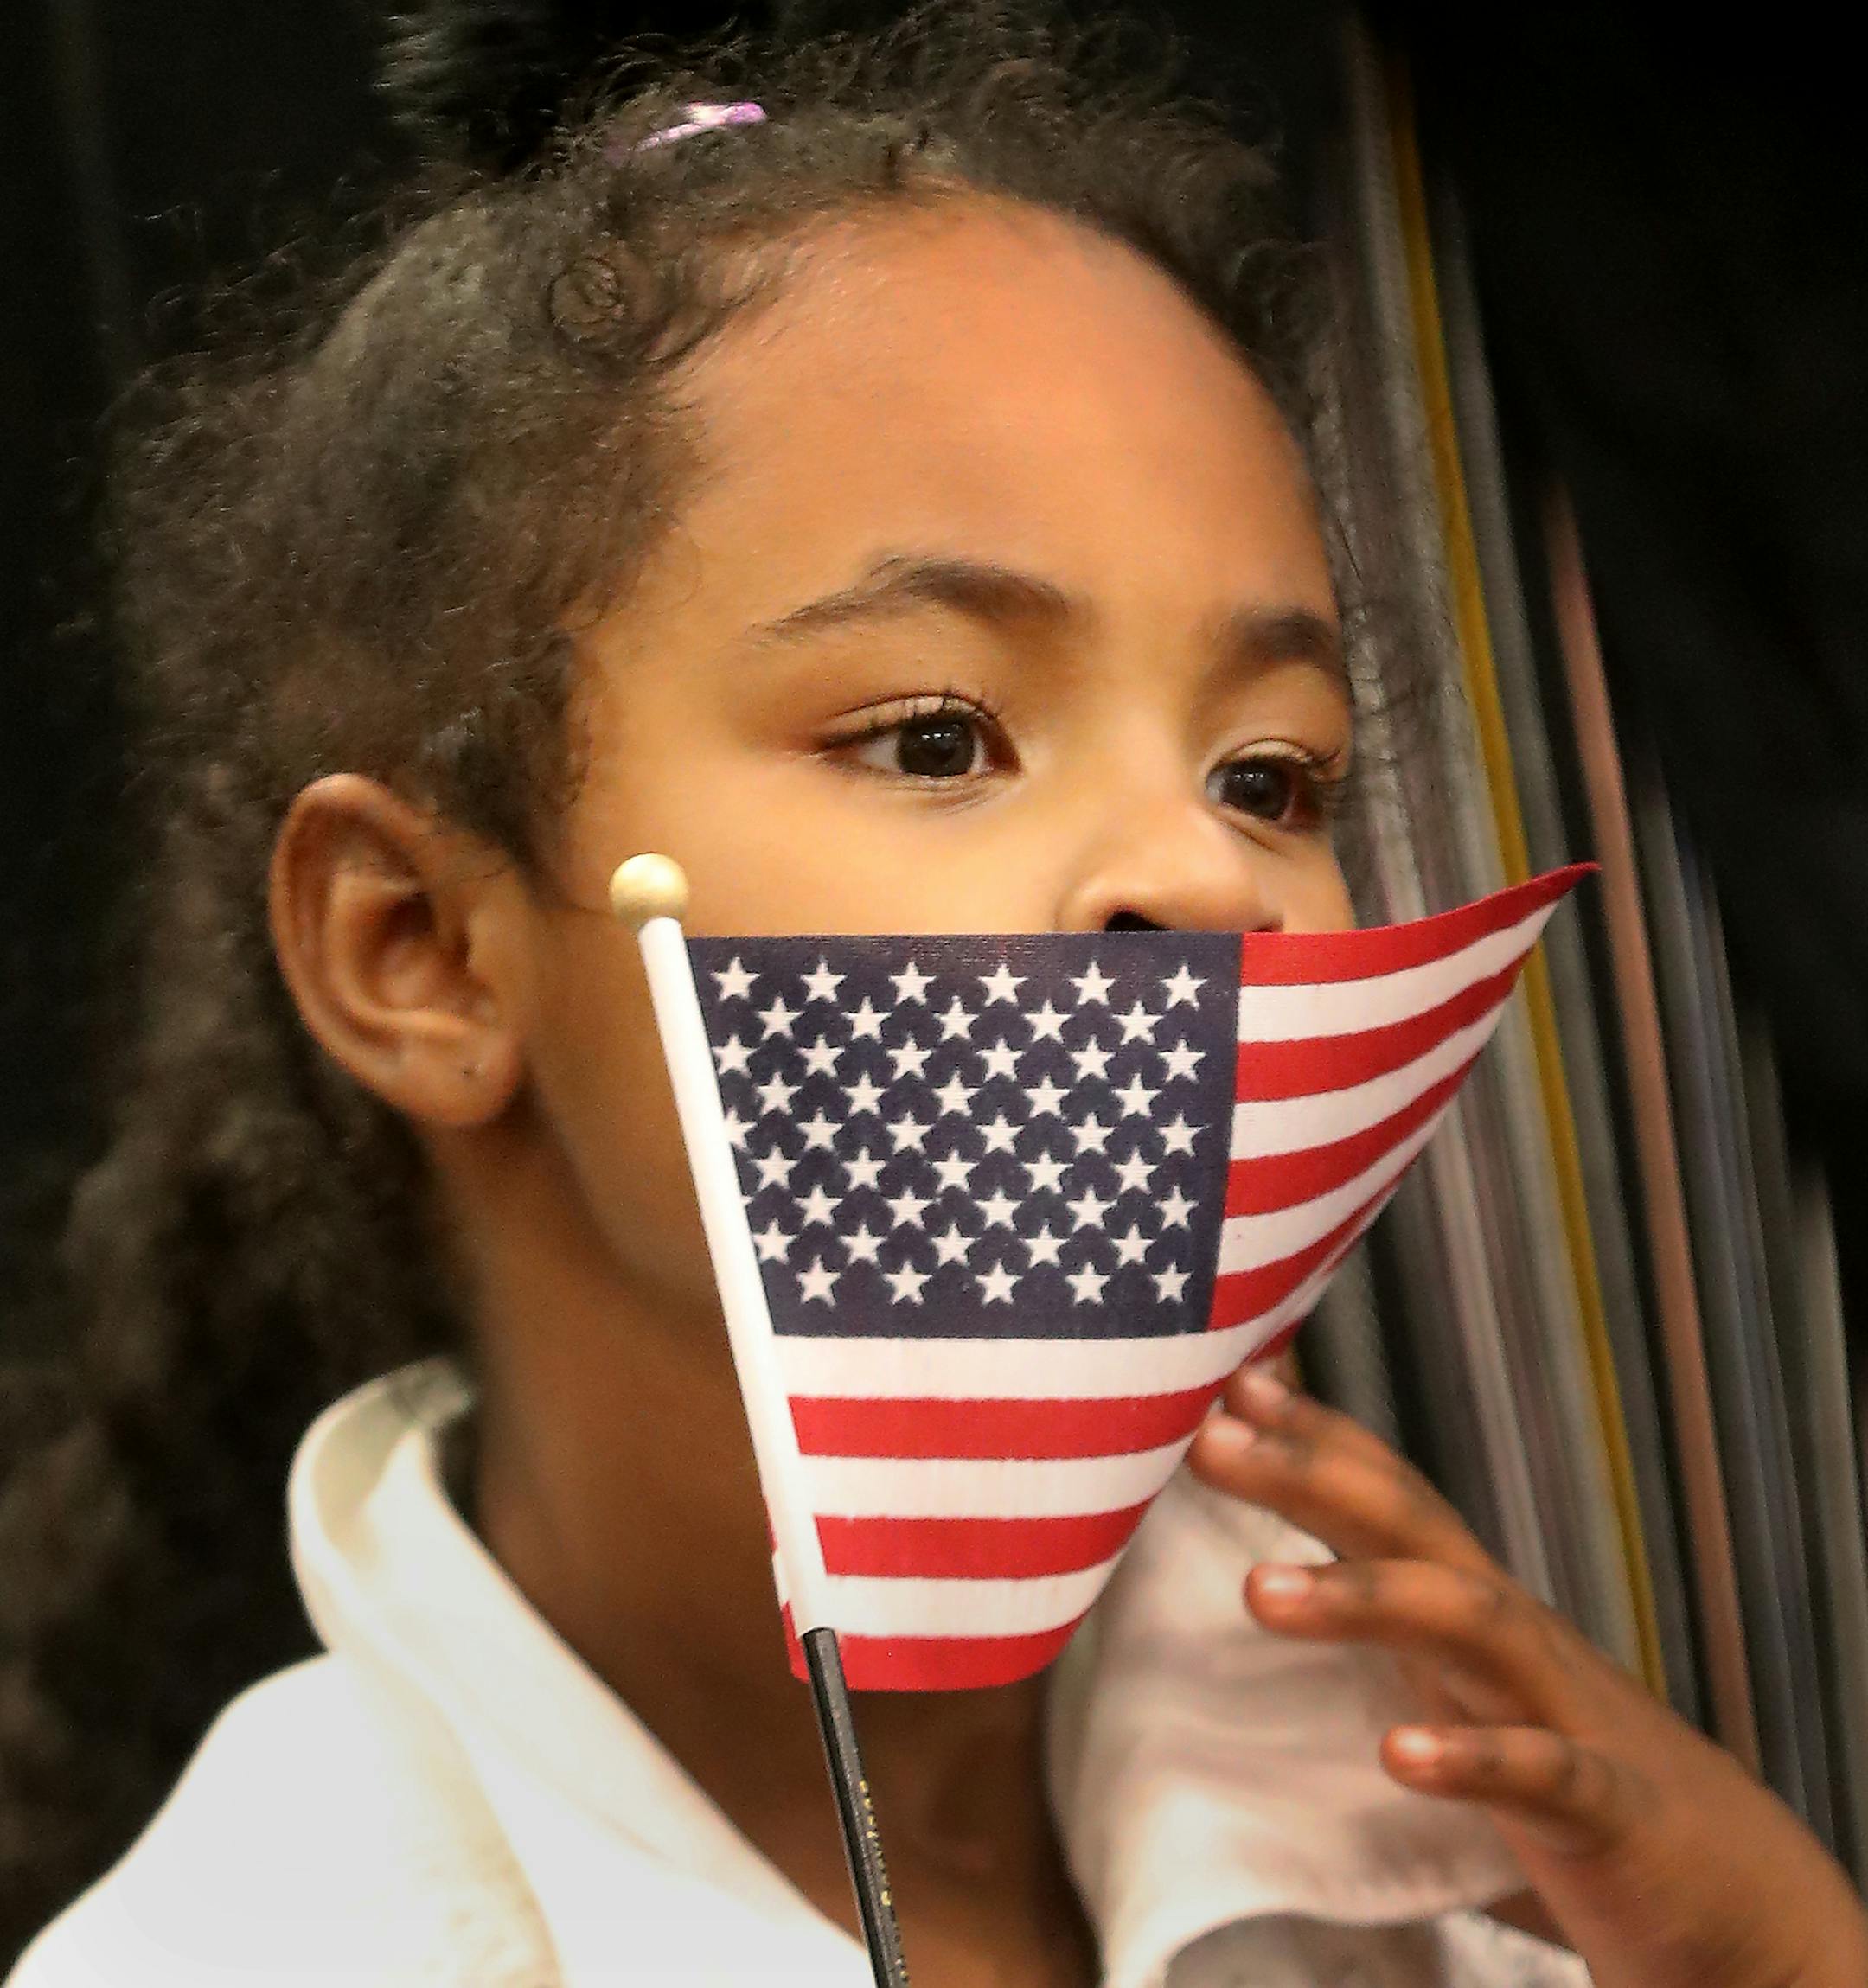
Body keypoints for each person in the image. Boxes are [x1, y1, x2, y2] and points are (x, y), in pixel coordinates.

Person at [3, 9, 1863, 1984]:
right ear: (420, 948)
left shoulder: (1512, 1857)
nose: (1201, 873)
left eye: (1275, 775)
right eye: (933, 734)